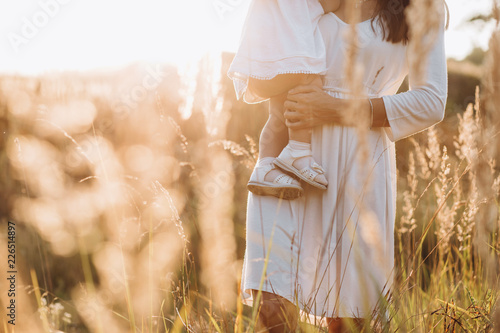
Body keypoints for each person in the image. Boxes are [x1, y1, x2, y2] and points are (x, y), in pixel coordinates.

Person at [238, 0, 448, 332]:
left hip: (358, 172)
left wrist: (335, 108)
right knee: (272, 309)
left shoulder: (422, 7)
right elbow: (256, 79)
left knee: (349, 318)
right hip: (283, 168)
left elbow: (431, 102)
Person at [228, 0, 342, 200]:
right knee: (309, 85)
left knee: (277, 115)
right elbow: (332, 4)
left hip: (262, 62)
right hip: (289, 59)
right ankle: (298, 151)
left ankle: (264, 166)